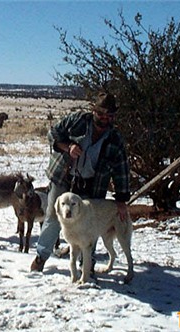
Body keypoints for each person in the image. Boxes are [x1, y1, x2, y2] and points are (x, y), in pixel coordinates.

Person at [30, 92, 131, 273]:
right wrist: (68, 147)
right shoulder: (77, 121)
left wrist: (122, 200)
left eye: (109, 115)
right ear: (93, 110)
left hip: (92, 185)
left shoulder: (115, 139)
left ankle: (86, 265)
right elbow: (53, 134)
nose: (105, 118)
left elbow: (121, 169)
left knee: (89, 223)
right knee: (53, 217)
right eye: (101, 114)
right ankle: (41, 257)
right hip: (63, 177)